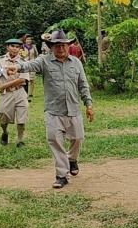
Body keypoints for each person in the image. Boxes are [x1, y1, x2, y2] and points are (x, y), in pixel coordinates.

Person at [9, 30, 95, 189]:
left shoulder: (76, 63)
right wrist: (17, 67)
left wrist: (88, 104)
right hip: (53, 110)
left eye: (63, 45)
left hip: (73, 109)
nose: (60, 49)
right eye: (56, 46)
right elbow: (29, 65)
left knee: (77, 138)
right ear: (51, 47)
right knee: (55, 140)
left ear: (68, 46)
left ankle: (72, 160)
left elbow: (83, 85)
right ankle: (62, 175)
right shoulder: (45, 61)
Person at [0, 38, 29, 148]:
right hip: (6, 94)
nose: (15, 49)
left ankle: (20, 140)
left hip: (20, 92)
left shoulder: (23, 62)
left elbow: (22, 79)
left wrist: (4, 85)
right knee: (3, 118)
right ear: (7, 47)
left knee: (21, 119)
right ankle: (5, 132)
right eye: (12, 46)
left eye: (17, 47)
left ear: (20, 49)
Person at [20, 34, 39, 102]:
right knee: (25, 80)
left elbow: (37, 55)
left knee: (32, 80)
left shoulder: (34, 47)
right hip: (25, 65)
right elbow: (20, 56)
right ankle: (25, 94)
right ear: (25, 40)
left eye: (30, 39)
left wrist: (36, 62)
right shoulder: (22, 47)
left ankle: (31, 93)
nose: (29, 40)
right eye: (27, 39)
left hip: (33, 64)